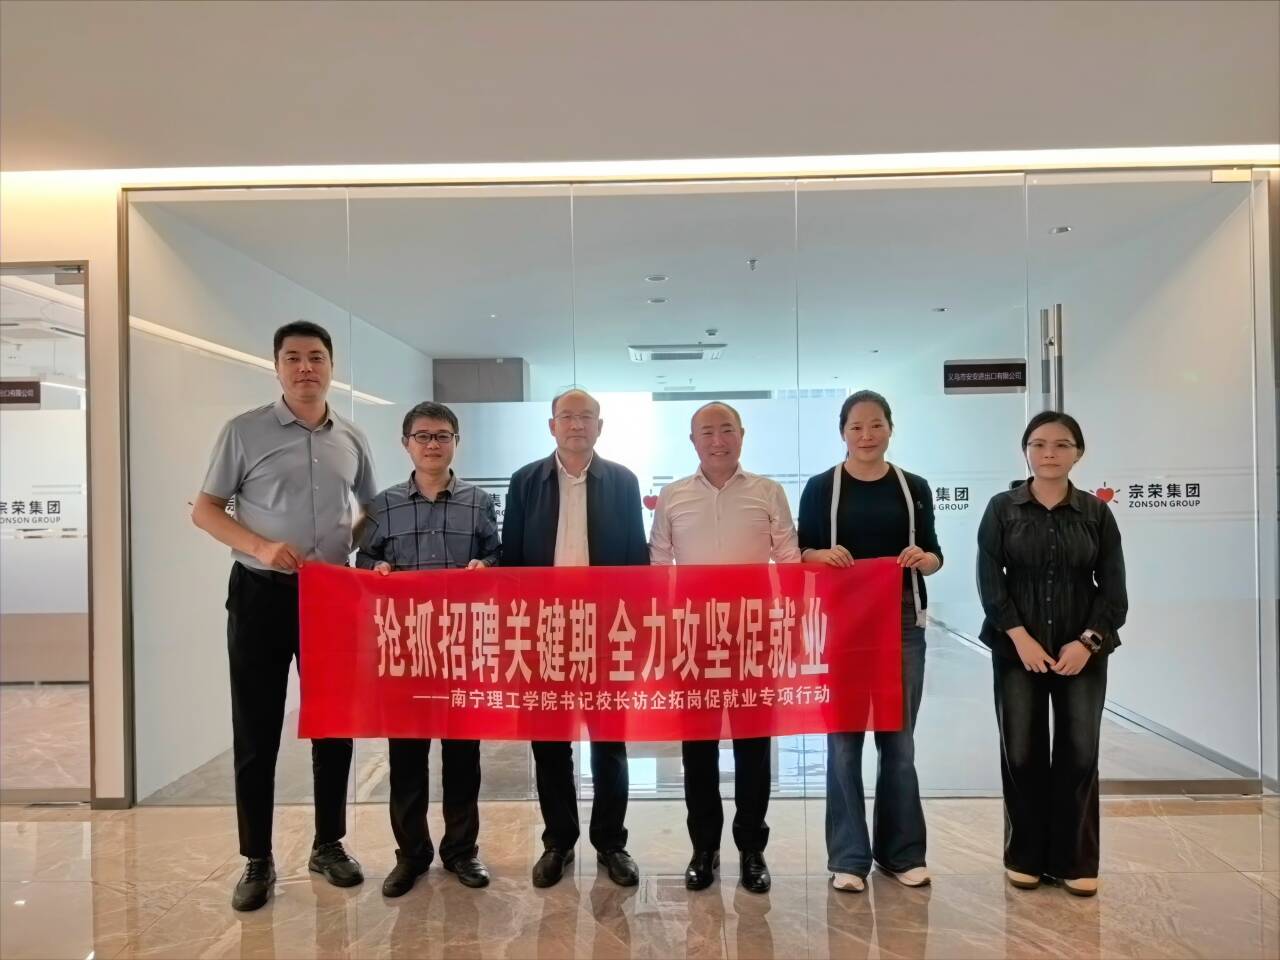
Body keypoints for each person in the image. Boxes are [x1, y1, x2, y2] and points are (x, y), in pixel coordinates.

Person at [192, 320, 377, 912]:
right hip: (261, 593)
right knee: (257, 728)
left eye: (316, 357)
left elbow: (372, 510)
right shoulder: (243, 431)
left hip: (330, 598)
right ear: (276, 367)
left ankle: (329, 844)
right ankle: (257, 858)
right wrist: (261, 546)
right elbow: (205, 509)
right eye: (293, 357)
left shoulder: (351, 437)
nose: (305, 368)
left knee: (333, 725)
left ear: (331, 367)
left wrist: (348, 551)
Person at [649, 401, 802, 894]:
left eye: (726, 430)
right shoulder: (673, 496)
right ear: (693, 441)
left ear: (742, 434)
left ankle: (752, 850)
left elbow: (789, 559)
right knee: (698, 750)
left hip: (753, 637)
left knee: (754, 748)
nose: (718, 441)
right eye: (707, 432)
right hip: (693, 639)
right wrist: (664, 630)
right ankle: (704, 849)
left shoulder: (768, 491)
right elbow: (658, 566)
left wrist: (792, 624)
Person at [502, 388, 648, 889]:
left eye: (586, 417)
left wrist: (633, 631)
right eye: (567, 416)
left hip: (607, 631)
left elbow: (637, 560)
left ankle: (611, 843)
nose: (577, 425)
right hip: (544, 631)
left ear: (600, 427)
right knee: (550, 741)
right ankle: (558, 842)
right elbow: (512, 561)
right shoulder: (525, 482)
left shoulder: (623, 482)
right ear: (552, 426)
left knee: (610, 742)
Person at [977, 411, 1126, 898]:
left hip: (1080, 652)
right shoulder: (1002, 509)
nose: (1049, 453)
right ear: (1025, 450)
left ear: (1078, 453)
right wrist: (1019, 637)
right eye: (1039, 444)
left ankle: (1074, 860)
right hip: (1016, 648)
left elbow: (1115, 593)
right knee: (1021, 752)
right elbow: (990, 581)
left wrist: (1087, 643)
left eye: (1062, 445)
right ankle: (1025, 856)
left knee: (1079, 753)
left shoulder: (1096, 513)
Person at [797, 389, 941, 894]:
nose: (866, 435)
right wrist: (821, 555)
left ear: (890, 428)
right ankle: (848, 858)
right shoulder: (821, 487)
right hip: (841, 623)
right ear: (842, 432)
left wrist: (924, 560)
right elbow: (801, 552)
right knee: (843, 742)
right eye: (856, 426)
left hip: (901, 620)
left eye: (876, 424)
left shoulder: (913, 487)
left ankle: (902, 854)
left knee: (898, 741)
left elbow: (934, 554)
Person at [355, 401, 500, 895]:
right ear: (406, 444)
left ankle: (461, 851)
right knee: (406, 759)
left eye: (442, 436)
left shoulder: (479, 502)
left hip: (462, 646)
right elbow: (364, 560)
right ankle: (411, 855)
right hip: (407, 649)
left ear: (456, 442)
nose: (432, 444)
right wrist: (375, 570)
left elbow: (497, 555)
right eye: (423, 436)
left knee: (463, 757)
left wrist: (487, 567)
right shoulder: (384, 505)